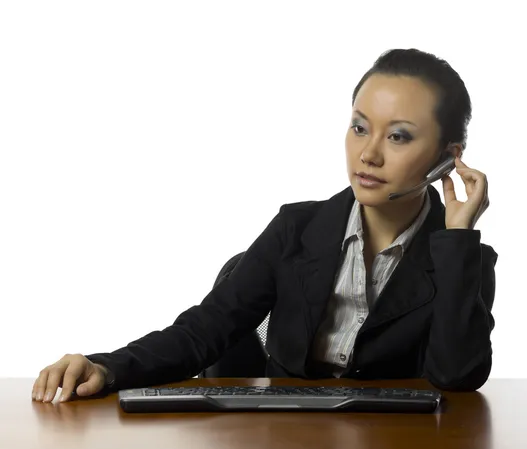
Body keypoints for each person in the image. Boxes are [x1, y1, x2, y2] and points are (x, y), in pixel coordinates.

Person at [32, 48, 497, 403]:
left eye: (398, 136)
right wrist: (106, 367)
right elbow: (205, 329)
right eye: (359, 127)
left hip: (396, 439)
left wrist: (456, 240)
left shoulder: (463, 259)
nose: (368, 154)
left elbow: (456, 378)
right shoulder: (296, 228)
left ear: (446, 157)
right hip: (282, 429)